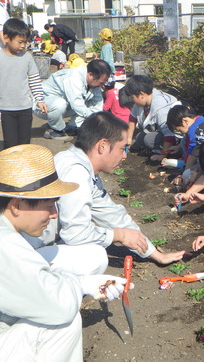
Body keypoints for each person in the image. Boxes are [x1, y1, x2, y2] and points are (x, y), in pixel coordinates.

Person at [0, 143, 129, 361]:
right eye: (49, 205)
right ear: (17, 205)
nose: (53, 214)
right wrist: (80, 284)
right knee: (63, 322)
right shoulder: (5, 243)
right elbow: (59, 307)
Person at [53, 111, 186, 265]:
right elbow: (75, 234)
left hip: (44, 243)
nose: (124, 156)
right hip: (33, 251)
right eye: (122, 149)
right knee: (96, 257)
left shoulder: (78, 163)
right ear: (102, 146)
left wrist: (155, 254)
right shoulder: (76, 174)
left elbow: (111, 214)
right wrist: (119, 235)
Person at [0, 18, 48, 148]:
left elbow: (34, 80)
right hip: (6, 109)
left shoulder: (27, 57)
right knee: (10, 144)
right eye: (20, 42)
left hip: (25, 108)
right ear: (6, 37)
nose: (23, 46)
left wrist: (39, 100)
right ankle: (10, 167)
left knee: (25, 143)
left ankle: (24, 167)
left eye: (25, 42)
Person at [34, 59, 109, 139]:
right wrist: (96, 119)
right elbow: (77, 104)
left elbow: (97, 105)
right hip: (43, 106)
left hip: (66, 105)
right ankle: (54, 129)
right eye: (100, 82)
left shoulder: (94, 83)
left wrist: (100, 121)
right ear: (90, 75)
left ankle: (72, 127)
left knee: (88, 106)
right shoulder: (73, 78)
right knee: (60, 104)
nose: (101, 85)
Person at [123, 75, 181, 154]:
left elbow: (169, 134)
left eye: (133, 97)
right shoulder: (140, 103)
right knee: (139, 137)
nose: (133, 100)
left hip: (175, 135)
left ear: (141, 94)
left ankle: (168, 151)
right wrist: (128, 139)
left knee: (148, 139)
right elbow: (132, 120)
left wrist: (164, 155)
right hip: (157, 131)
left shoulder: (161, 108)